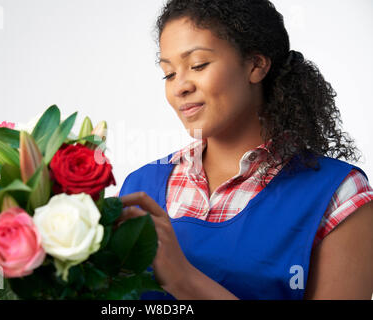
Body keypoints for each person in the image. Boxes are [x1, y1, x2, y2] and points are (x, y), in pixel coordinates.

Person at [116, 0, 373, 300]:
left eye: (198, 65)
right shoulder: (140, 186)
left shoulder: (339, 197)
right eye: (169, 73)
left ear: (255, 65)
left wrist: (184, 279)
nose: (179, 87)